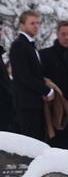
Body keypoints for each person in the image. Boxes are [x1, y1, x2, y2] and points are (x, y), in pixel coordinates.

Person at [9, 9, 54, 139]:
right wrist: (46, 91)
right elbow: (25, 76)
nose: (36, 26)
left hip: (34, 103)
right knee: (30, 141)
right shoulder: (19, 45)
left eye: (38, 23)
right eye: (32, 23)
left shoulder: (29, 45)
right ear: (22, 25)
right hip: (26, 104)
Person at [40, 19, 68, 148]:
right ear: (57, 34)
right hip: (55, 108)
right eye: (63, 34)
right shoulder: (45, 55)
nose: (67, 38)